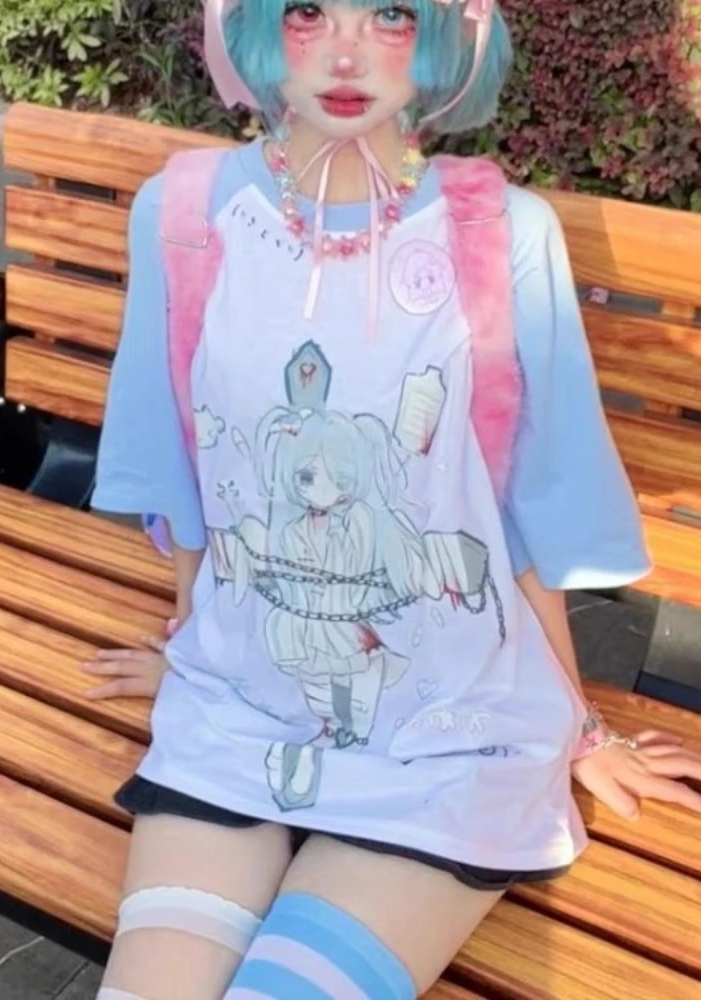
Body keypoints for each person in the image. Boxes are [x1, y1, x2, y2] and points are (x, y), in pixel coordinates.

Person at [88, 1, 701, 997]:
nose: (345, 54)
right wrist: (194, 642)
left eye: (390, 14)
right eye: (305, 11)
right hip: (242, 705)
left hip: (452, 730)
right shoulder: (186, 215)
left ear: (452, 31)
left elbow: (525, 504)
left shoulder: (500, 232)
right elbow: (184, 461)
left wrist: (576, 726)